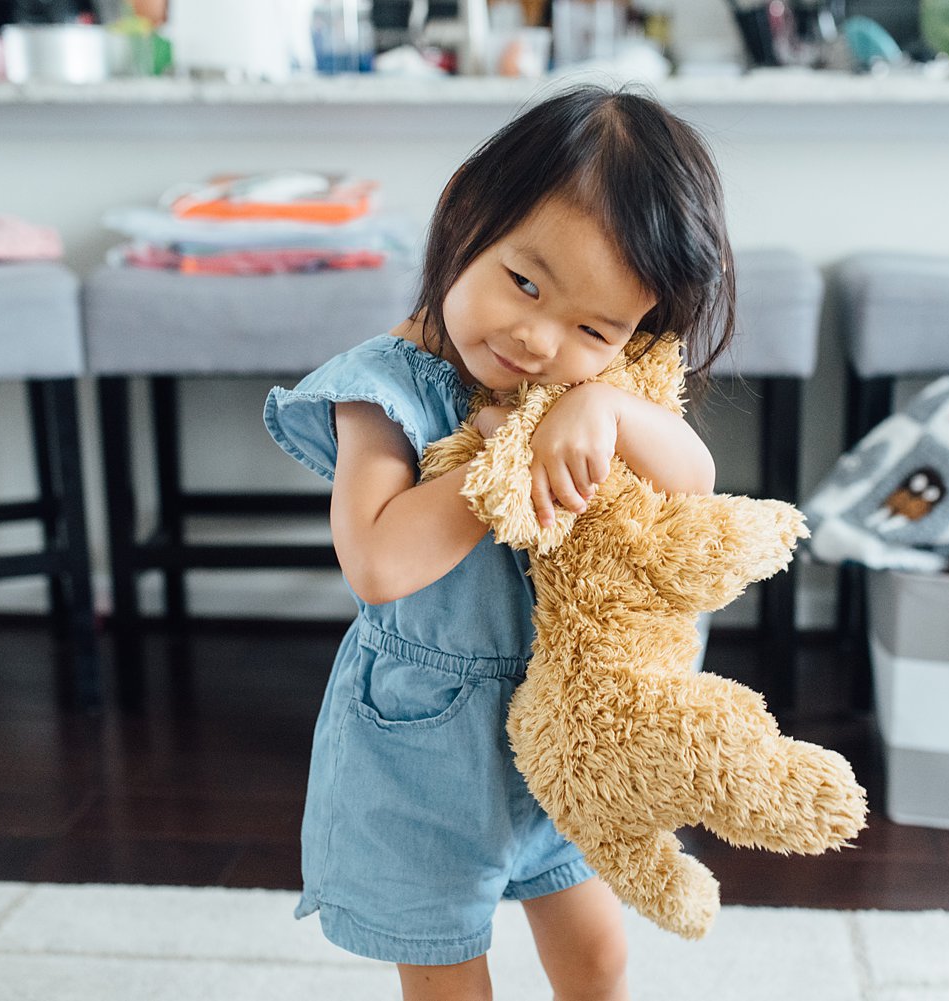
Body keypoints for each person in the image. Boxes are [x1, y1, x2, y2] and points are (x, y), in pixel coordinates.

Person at [264, 84, 736, 1001]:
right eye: (524, 282)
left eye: (593, 329)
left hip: (561, 723)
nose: (534, 338)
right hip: (421, 743)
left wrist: (602, 404)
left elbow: (696, 481)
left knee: (598, 955)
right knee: (449, 979)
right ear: (464, 212)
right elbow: (377, 560)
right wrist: (498, 464)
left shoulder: (595, 387)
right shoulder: (381, 389)